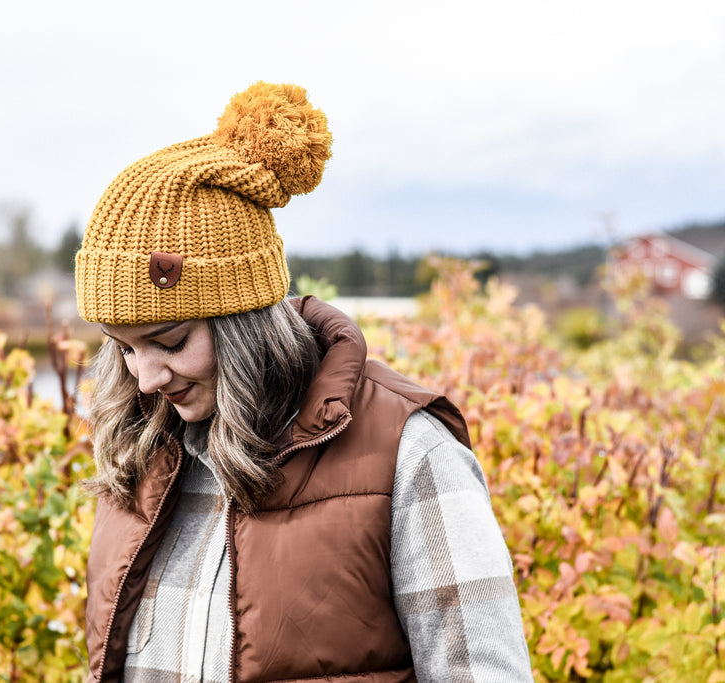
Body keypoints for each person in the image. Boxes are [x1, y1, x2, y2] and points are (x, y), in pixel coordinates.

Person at [74, 82, 531, 683]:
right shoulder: (141, 455)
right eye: (123, 347)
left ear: (245, 320)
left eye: (170, 340)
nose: (147, 377)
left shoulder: (407, 457)